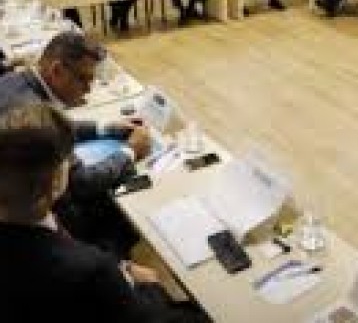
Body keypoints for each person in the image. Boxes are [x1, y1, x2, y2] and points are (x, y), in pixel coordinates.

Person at [0, 103, 210, 323]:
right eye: (70, 159)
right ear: (56, 181)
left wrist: (123, 267)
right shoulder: (91, 269)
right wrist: (151, 287)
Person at [0, 32, 152, 253]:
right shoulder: (35, 118)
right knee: (126, 208)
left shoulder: (13, 81)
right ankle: (110, 263)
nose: (88, 90)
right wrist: (131, 151)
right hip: (39, 221)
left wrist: (104, 128)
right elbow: (82, 183)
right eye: (83, 79)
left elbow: (59, 124)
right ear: (57, 71)